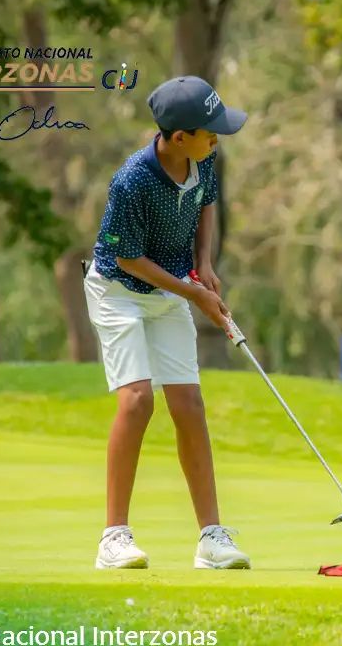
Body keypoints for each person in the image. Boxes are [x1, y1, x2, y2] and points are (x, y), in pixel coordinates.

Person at [83, 75, 251, 571]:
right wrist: (194, 292)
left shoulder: (204, 160)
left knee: (189, 404)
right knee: (138, 401)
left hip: (172, 287)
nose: (217, 139)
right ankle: (113, 538)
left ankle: (211, 538)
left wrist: (205, 263)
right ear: (179, 136)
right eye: (210, 131)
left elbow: (206, 204)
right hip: (118, 292)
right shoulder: (132, 180)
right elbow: (128, 258)